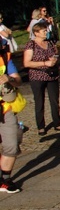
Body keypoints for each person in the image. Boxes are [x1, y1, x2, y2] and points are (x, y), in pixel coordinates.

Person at [24, 22, 60, 135]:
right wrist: (45, 63)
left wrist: (54, 59)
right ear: (36, 33)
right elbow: (27, 63)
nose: (46, 32)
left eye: (46, 30)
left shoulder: (50, 43)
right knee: (39, 101)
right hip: (37, 76)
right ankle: (41, 126)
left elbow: (56, 54)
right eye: (43, 31)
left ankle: (57, 123)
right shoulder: (31, 45)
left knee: (54, 101)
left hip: (51, 76)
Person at [0, 42, 23, 193]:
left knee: (12, 144)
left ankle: (5, 179)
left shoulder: (4, 57)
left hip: (5, 108)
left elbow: (18, 81)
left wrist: (9, 79)